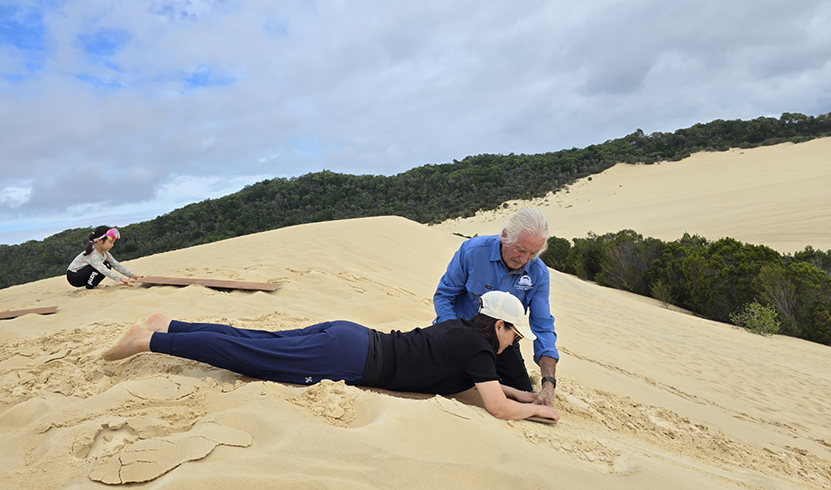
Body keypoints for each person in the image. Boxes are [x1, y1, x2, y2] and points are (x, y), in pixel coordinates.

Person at [102, 291, 560, 423]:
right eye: (513, 335)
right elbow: (494, 406)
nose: (513, 343)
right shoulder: (480, 348)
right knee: (249, 355)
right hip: (348, 361)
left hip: (350, 336)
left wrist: (527, 393)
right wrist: (539, 415)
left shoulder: (462, 332)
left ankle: (170, 325)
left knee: (256, 339)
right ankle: (148, 341)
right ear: (498, 325)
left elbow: (487, 388)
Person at [433, 208, 559, 406]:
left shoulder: (539, 274)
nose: (524, 259)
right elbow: (444, 296)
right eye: (520, 249)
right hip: (458, 332)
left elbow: (542, 326)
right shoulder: (472, 251)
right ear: (505, 236)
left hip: (502, 345)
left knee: (525, 398)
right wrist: (453, 335)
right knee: (435, 383)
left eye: (533, 253)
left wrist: (548, 383)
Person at [66, 226, 143, 289]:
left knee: (107, 264)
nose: (112, 245)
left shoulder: (105, 253)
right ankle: (90, 286)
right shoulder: (92, 254)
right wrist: (121, 279)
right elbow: (103, 270)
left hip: (83, 274)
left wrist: (131, 275)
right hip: (74, 277)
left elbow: (116, 264)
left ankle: (93, 285)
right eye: (110, 242)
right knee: (104, 266)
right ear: (100, 241)